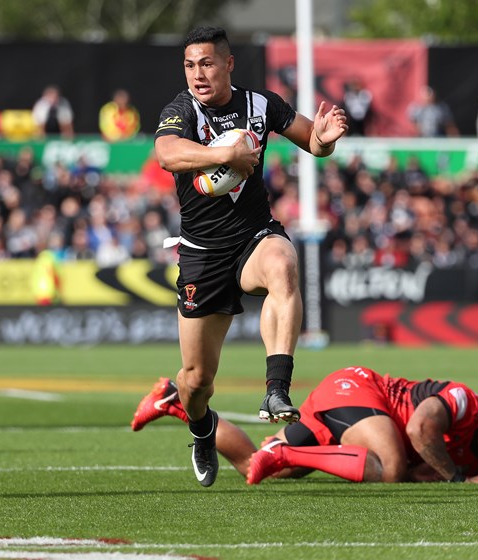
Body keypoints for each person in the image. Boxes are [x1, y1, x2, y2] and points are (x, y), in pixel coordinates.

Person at [153, 26, 347, 487]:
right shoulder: (182, 110)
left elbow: (313, 143)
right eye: (189, 65)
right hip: (202, 253)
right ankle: (201, 427)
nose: (197, 74)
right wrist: (226, 155)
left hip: (254, 236)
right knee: (196, 381)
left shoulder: (261, 105)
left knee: (283, 264)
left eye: (206, 63)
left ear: (228, 64)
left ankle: (277, 387)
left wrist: (326, 138)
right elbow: (165, 154)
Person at [131, 367, 478, 484]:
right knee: (388, 467)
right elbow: (421, 431)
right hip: (358, 391)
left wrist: (446, 474)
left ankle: (175, 402)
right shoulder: (464, 402)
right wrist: (454, 479)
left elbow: (423, 471)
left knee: (251, 464)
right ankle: (285, 451)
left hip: (353, 418)